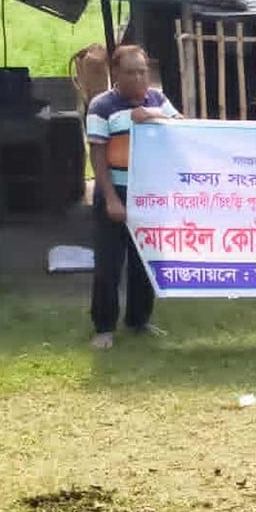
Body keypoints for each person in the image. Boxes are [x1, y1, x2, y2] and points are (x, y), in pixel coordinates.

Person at [86, 45, 182, 350]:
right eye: (132, 72)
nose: (140, 78)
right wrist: (111, 199)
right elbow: (98, 155)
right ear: (116, 74)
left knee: (144, 261)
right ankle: (104, 327)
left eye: (144, 71)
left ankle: (139, 320)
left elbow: (182, 125)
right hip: (115, 190)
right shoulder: (102, 106)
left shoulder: (158, 99)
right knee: (109, 264)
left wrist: (151, 115)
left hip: (149, 192)